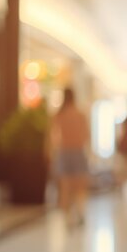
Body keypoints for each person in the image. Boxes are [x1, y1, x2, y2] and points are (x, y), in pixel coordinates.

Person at [51, 88, 90, 224]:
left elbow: (52, 136)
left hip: (64, 152)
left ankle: (67, 219)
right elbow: (86, 136)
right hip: (78, 151)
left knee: (65, 187)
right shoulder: (80, 114)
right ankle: (80, 212)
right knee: (80, 186)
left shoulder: (59, 114)